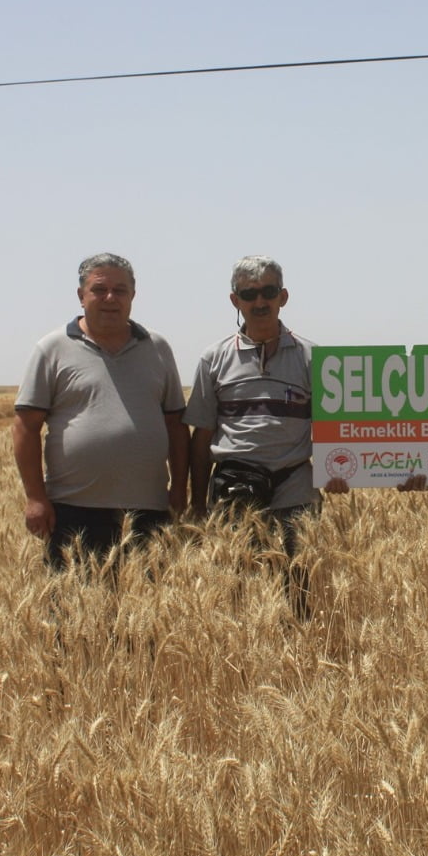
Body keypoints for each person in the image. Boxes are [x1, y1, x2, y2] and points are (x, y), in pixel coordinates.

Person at [12, 253, 188, 575]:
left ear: (133, 296)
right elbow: (25, 426)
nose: (110, 298)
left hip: (148, 510)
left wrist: (178, 489)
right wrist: (36, 498)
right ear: (81, 296)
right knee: (70, 617)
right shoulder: (51, 349)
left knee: (147, 616)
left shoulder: (157, 348)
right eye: (99, 289)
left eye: (120, 290)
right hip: (73, 511)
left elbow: (176, 426)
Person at [185, 256, 321, 618]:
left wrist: (341, 473)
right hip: (234, 495)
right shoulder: (213, 359)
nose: (260, 302)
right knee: (239, 601)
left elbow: (331, 431)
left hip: (295, 492)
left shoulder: (313, 359)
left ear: (284, 296)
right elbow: (201, 436)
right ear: (235, 300)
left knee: (299, 595)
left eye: (269, 292)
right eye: (249, 294)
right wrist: (197, 504)